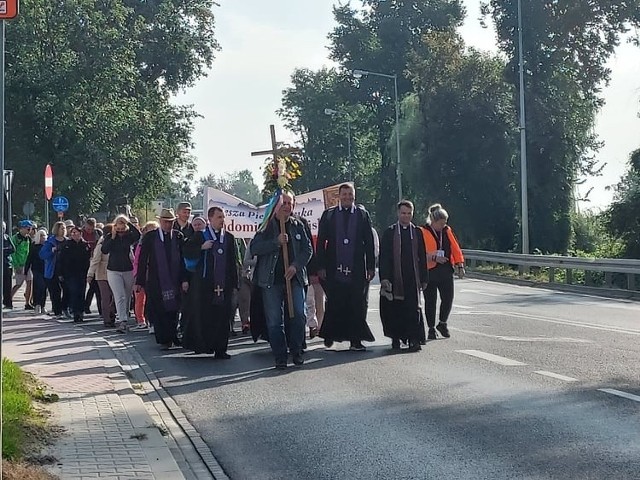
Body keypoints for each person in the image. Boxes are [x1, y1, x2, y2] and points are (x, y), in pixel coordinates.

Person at [250, 191, 312, 369]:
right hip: (271, 281)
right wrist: (275, 242)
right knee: (275, 321)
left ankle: (297, 351)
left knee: (299, 315)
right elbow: (255, 248)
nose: (286, 206)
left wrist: (295, 266)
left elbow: (307, 250)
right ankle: (280, 356)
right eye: (283, 203)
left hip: (295, 278)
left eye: (289, 203)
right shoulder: (267, 226)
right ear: (277, 205)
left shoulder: (297, 225)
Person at [316, 184, 376, 351]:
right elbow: (321, 242)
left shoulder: (362, 215)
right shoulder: (329, 215)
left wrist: (371, 266)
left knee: (356, 303)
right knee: (335, 302)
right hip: (333, 265)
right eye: (344, 194)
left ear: (354, 196)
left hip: (356, 267)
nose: (348, 197)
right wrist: (320, 266)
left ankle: (355, 340)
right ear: (339, 196)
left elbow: (369, 242)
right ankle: (329, 334)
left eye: (350, 194)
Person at [181, 206, 238, 357]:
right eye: (219, 217)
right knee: (205, 315)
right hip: (205, 283)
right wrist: (201, 247)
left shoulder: (229, 237)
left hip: (224, 283)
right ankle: (204, 345)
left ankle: (221, 349)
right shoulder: (201, 235)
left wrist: (234, 283)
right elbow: (186, 251)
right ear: (210, 218)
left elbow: (233, 261)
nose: (222, 220)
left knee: (223, 316)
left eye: (223, 217)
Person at [379, 200, 428, 352]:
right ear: (398, 213)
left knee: (413, 310)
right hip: (395, 278)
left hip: (412, 278)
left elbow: (422, 256)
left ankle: (414, 339)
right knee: (395, 310)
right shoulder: (390, 232)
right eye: (403, 213)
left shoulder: (417, 232)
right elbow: (384, 257)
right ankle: (396, 338)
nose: (406, 216)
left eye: (409, 213)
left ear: (412, 214)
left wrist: (424, 278)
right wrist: (385, 278)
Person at [135, 209, 187, 349]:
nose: (168, 225)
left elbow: (183, 260)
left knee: (174, 309)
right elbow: (143, 259)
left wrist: (184, 279)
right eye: (165, 222)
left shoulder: (178, 237)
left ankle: (173, 335)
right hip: (156, 280)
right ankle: (164, 339)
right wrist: (139, 281)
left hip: (174, 279)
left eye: (170, 222)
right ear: (160, 222)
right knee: (159, 310)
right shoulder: (150, 237)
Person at [420, 203, 465, 339]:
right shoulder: (422, 231)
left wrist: (460, 264)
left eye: (445, 223)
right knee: (430, 301)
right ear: (433, 221)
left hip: (445, 269)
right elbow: (419, 252)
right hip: (430, 270)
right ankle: (431, 328)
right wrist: (433, 257)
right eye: (440, 223)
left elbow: (455, 247)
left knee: (448, 298)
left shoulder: (446, 230)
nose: (443, 226)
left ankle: (442, 323)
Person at [101, 215, 141, 333]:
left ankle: (125, 318)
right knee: (120, 296)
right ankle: (122, 321)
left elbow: (138, 235)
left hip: (128, 269)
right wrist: (113, 237)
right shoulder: (110, 237)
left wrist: (129, 223)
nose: (120, 231)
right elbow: (104, 250)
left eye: (122, 228)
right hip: (113, 270)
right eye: (118, 228)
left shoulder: (129, 236)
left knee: (128, 296)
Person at [59, 226, 92, 323]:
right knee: (73, 292)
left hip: (82, 273)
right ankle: (75, 312)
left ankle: (80, 312)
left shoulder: (85, 245)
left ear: (81, 234)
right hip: (70, 273)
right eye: (73, 233)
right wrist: (60, 273)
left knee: (81, 293)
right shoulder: (66, 245)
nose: (75, 234)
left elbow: (88, 260)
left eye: (77, 233)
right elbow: (61, 260)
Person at [132, 221, 159, 330]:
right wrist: (137, 275)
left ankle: (152, 321)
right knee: (141, 298)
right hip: (143, 273)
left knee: (153, 299)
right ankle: (142, 320)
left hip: (155, 274)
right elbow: (137, 260)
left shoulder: (160, 242)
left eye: (154, 229)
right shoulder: (141, 244)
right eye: (149, 229)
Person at [88, 224, 116, 327]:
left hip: (114, 272)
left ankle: (112, 314)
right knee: (105, 297)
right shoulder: (101, 244)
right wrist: (90, 274)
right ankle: (107, 319)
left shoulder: (115, 241)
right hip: (102, 274)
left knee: (115, 296)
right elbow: (95, 260)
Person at [39, 222, 68, 319]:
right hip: (53, 270)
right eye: (61, 228)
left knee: (67, 290)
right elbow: (42, 255)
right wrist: (52, 251)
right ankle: (57, 311)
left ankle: (64, 308)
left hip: (65, 270)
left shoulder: (67, 241)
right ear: (56, 230)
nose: (63, 230)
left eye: (64, 228)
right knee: (55, 292)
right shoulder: (50, 241)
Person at [11, 219, 34, 310]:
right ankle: (8, 300)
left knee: (29, 283)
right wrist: (16, 265)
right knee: (18, 284)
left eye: (30, 228)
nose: (29, 230)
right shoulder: (15, 238)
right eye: (28, 228)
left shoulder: (28, 239)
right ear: (22, 228)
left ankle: (27, 303)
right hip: (19, 264)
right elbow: (13, 253)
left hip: (27, 264)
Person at [82, 218, 102, 314]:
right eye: (88, 229)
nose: (90, 231)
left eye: (92, 229)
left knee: (95, 286)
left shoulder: (98, 233)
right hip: (85, 261)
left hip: (96, 261)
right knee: (92, 286)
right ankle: (86, 306)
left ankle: (98, 308)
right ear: (85, 225)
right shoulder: (80, 233)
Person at [25, 229, 48, 314]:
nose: (43, 237)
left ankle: (42, 305)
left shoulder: (47, 246)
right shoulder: (34, 246)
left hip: (45, 269)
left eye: (44, 235)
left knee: (45, 288)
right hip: (36, 269)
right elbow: (29, 258)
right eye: (41, 235)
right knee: (39, 286)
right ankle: (37, 304)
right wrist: (26, 270)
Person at [2, 221, 15, 310]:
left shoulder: (6, 237)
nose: (2, 230)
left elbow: (12, 249)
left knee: (7, 285)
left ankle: (8, 302)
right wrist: (5, 250)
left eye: (3, 228)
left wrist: (4, 250)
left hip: (7, 264)